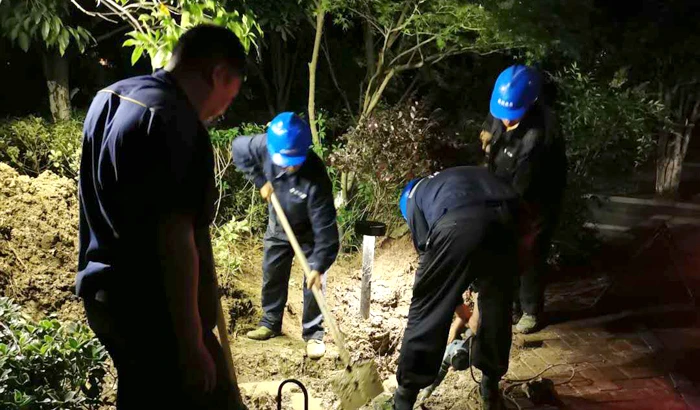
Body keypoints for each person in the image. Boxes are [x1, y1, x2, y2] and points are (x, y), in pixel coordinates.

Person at [76, 25, 248, 409]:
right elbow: (176, 239)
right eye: (230, 95)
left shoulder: (109, 98)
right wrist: (191, 343)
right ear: (219, 75)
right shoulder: (176, 122)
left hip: (105, 301)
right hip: (155, 313)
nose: (224, 109)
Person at [392, 166, 519, 410]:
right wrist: (470, 308)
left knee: (427, 306)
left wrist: (458, 308)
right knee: (497, 305)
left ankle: (404, 398)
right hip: (509, 222)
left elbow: (437, 272)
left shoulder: (412, 199)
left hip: (459, 221)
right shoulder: (450, 180)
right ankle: (490, 388)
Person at [231, 112, 339, 360]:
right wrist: (261, 181)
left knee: (313, 283)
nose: (289, 166)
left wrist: (319, 265)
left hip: (310, 234)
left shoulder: (316, 177)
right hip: (278, 225)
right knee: (272, 273)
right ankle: (270, 323)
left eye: (294, 161)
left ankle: (313, 334)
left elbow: (326, 228)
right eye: (284, 160)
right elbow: (238, 148)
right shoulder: (265, 145)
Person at [481, 65, 567, 334]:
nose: (505, 121)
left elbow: (521, 187)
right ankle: (511, 305)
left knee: (530, 254)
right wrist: (488, 135)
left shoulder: (539, 137)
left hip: (536, 201)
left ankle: (531, 310)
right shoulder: (505, 105)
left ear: (531, 103)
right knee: (504, 251)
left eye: (512, 117)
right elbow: (492, 123)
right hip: (504, 187)